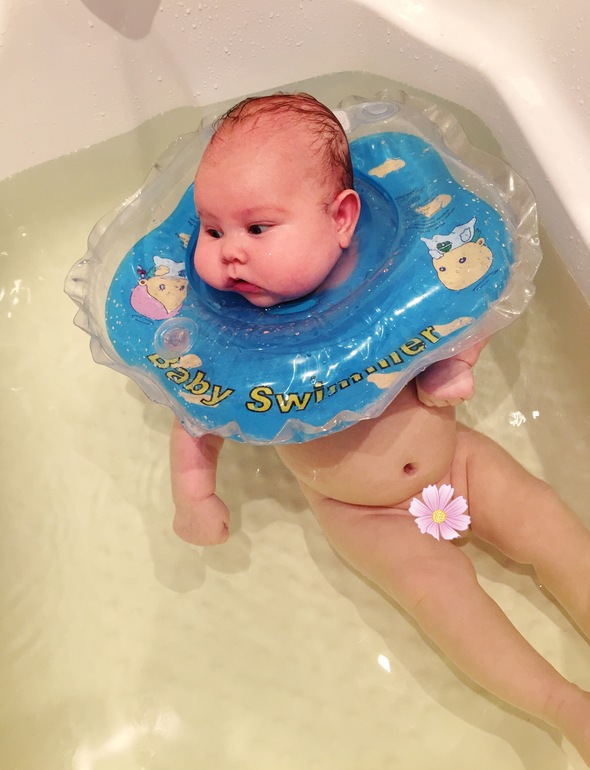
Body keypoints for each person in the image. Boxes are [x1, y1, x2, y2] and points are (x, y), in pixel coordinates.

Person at [169, 93, 590, 762]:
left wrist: (456, 363)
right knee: (441, 596)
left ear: (342, 218)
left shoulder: (400, 269)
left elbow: (468, 300)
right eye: (212, 231)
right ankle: (564, 704)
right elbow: (198, 412)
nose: (230, 254)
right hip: (362, 511)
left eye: (257, 227)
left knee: (544, 521)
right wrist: (194, 496)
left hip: (456, 462)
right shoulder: (228, 338)